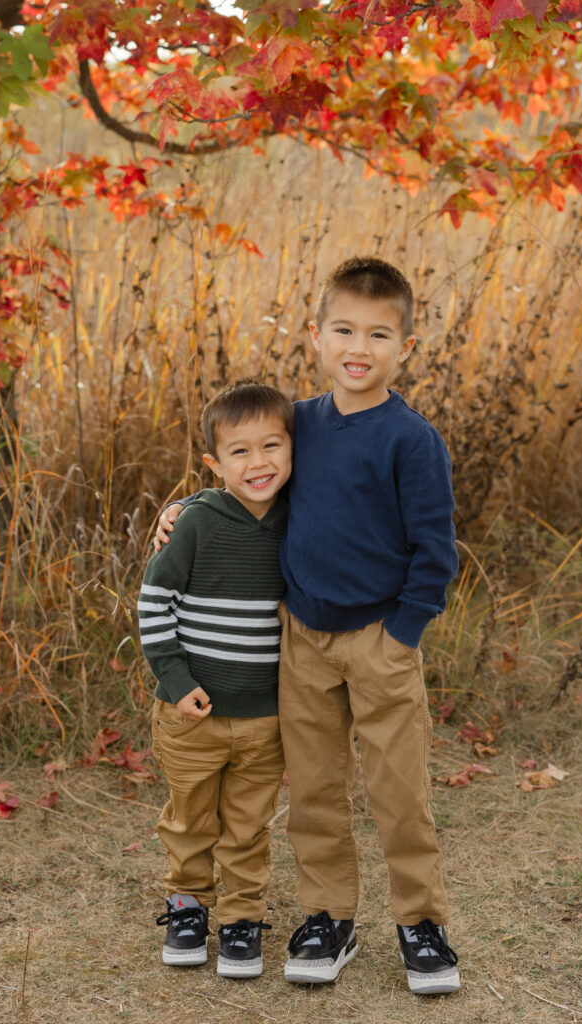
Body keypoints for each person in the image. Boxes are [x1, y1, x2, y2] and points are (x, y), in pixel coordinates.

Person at [156, 256, 460, 996]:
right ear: (316, 337)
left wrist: (403, 634)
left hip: (380, 638)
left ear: (404, 348)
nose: (360, 347)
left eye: (379, 334)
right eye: (344, 330)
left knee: (397, 790)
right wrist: (188, 509)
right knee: (316, 789)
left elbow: (436, 550)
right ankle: (328, 916)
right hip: (302, 638)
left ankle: (420, 922)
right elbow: (251, 477)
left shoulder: (410, 439)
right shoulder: (300, 421)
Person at [139, 379, 293, 980]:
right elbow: (155, 602)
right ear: (214, 462)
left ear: (292, 450)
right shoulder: (196, 523)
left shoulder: (297, 520)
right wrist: (176, 680)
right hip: (190, 712)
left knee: (249, 825)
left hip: (264, 716)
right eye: (240, 451)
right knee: (190, 817)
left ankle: (241, 920)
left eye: (272, 446)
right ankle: (186, 905)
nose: (258, 463)